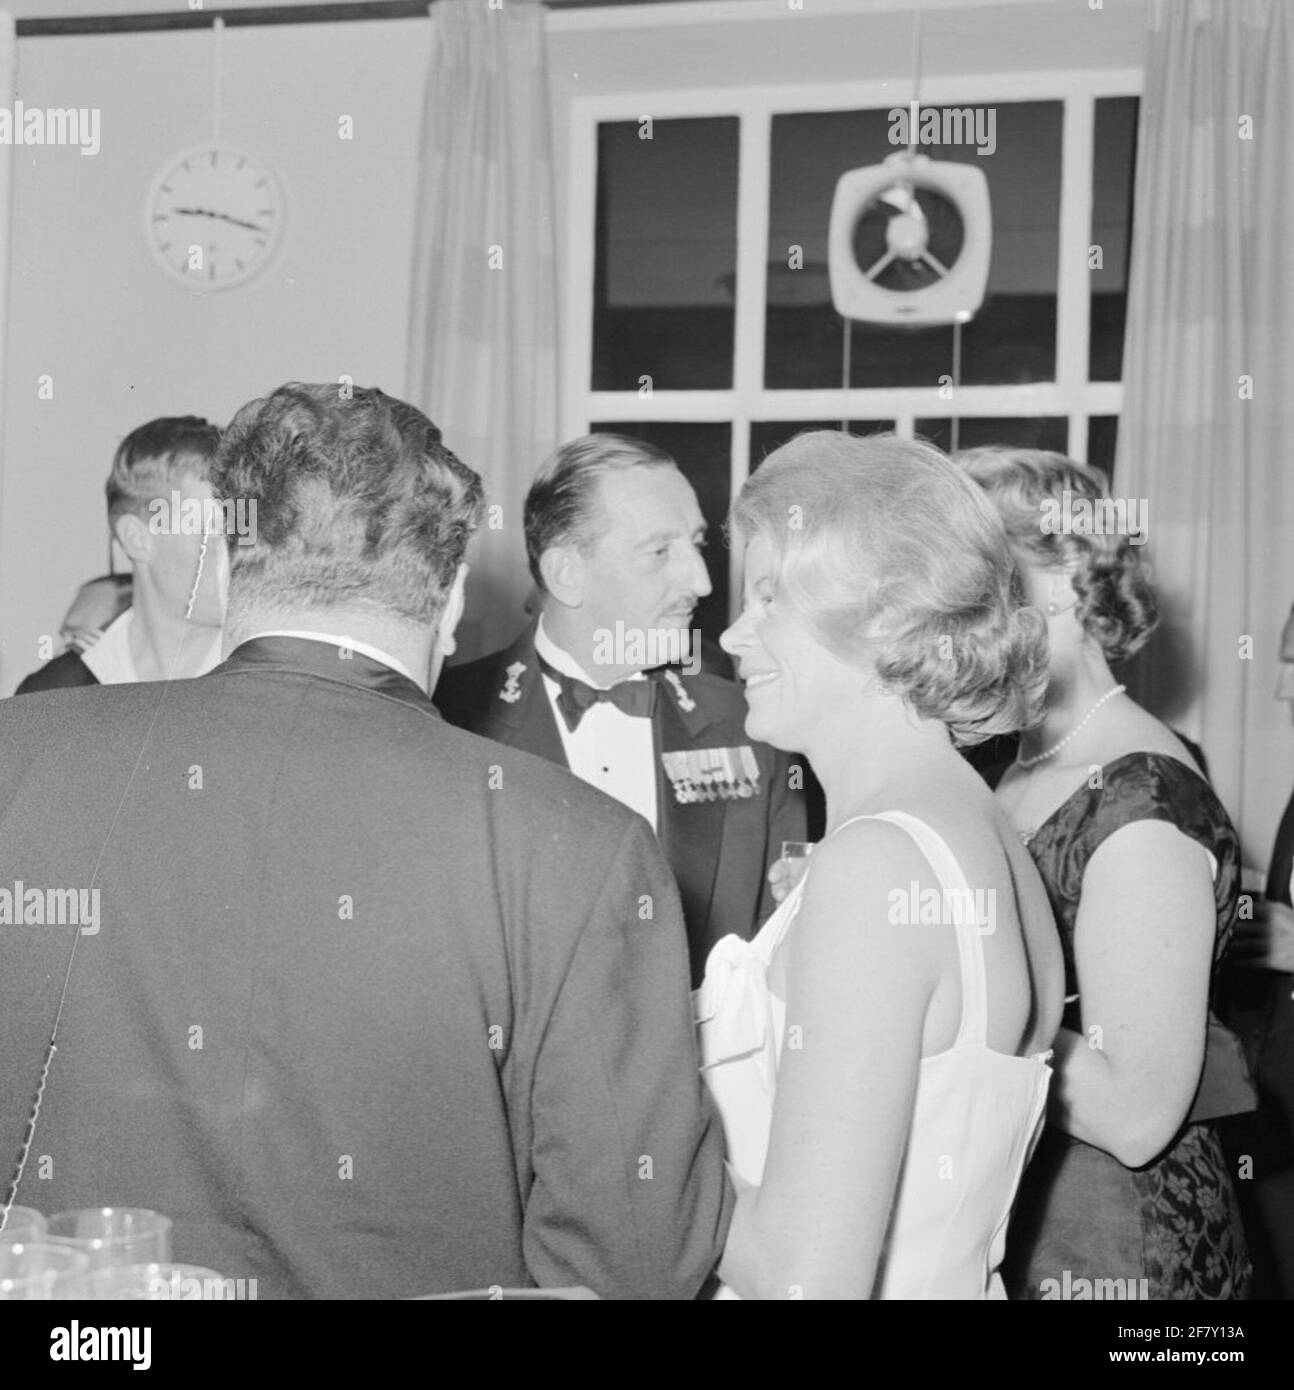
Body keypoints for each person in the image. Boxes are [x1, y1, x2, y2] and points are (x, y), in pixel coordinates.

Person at [0, 384, 730, 1300]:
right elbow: (631, 1257)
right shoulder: (576, 845)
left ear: (226, 569)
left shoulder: (21, 758)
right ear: (455, 592)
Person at [696, 431, 1063, 1299]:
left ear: (885, 618)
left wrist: (633, 1144)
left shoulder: (880, 865)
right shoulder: (981, 826)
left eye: (768, 600)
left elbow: (807, 1280)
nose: (733, 637)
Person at [963, 446, 1252, 1300]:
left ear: (1052, 585)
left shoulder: (1144, 794)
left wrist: (945, 997)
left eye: (966, 581)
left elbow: (1134, 1113)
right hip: (1029, 1215)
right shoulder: (1017, 762)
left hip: (1121, 1247)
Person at [436, 433, 807, 986]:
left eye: (697, 544)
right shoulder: (447, 724)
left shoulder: (751, 727)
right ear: (567, 573)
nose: (701, 582)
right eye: (659, 553)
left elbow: (783, 962)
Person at [14, 417, 226, 693]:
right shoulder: (51, 696)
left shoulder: (275, 688)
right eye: (214, 534)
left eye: (244, 534)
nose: (241, 557)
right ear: (137, 539)